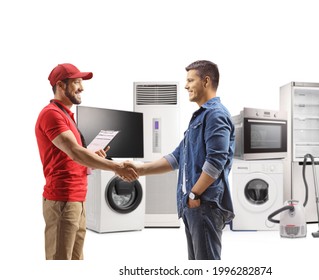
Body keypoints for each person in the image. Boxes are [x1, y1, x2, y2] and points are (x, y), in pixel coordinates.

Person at [35, 63, 138, 260]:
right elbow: (74, 152)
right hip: (62, 198)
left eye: (81, 82)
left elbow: (72, 157)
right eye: (76, 82)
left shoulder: (67, 116)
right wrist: (116, 167)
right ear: (60, 85)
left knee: (76, 260)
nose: (82, 87)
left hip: (77, 198)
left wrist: (91, 158)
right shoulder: (51, 114)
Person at [134, 60, 235, 260]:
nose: (186, 86)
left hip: (204, 204)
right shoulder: (199, 118)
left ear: (206, 81)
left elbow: (216, 162)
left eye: (190, 80)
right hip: (194, 206)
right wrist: (139, 169)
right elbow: (176, 157)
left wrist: (194, 195)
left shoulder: (215, 115)